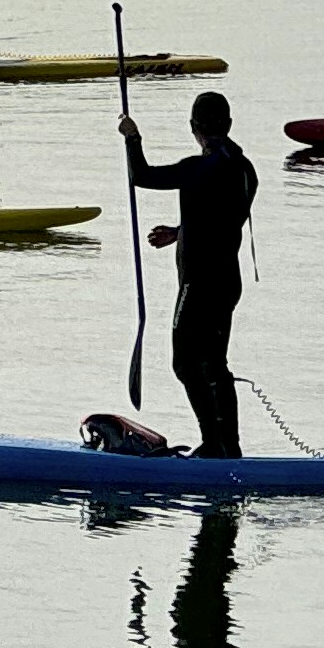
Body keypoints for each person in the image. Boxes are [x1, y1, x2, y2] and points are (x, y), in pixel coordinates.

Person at [120, 90, 258, 460]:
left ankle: (216, 445)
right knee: (214, 363)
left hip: (199, 284)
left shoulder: (200, 168)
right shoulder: (244, 170)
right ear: (228, 125)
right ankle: (227, 445)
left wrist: (132, 138)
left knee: (185, 362)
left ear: (194, 128)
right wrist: (179, 232)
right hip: (227, 281)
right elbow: (222, 218)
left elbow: (141, 176)